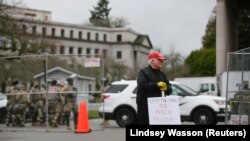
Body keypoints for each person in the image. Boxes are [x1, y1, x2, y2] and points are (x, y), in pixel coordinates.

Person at [136, 51, 172, 125]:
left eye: (162, 60)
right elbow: (142, 86)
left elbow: (170, 89)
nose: (162, 61)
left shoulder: (162, 74)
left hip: (159, 109)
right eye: (160, 60)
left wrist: (167, 88)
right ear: (152, 61)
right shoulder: (143, 72)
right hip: (145, 108)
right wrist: (157, 85)